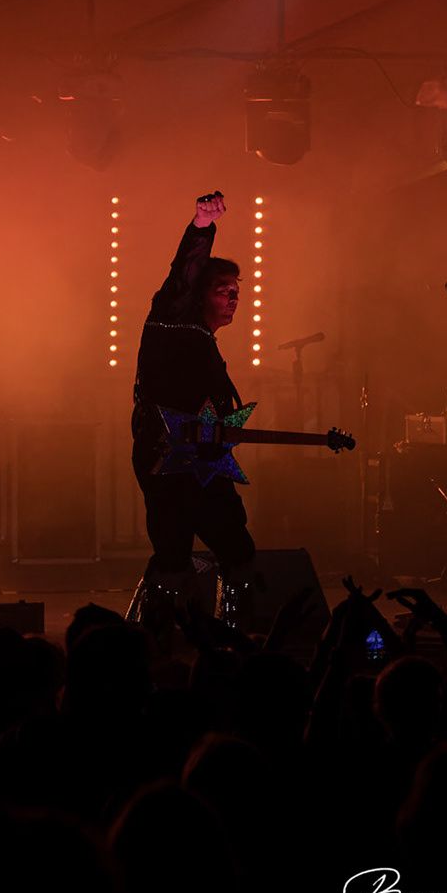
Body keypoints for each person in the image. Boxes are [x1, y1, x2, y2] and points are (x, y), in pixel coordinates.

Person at [131, 192, 259, 625]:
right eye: (224, 290)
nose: (234, 298)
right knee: (172, 554)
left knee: (237, 549)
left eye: (236, 291)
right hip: (167, 459)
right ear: (197, 294)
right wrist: (202, 227)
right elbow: (183, 275)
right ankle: (152, 639)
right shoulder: (172, 317)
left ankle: (233, 634)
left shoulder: (205, 343)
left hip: (204, 463)